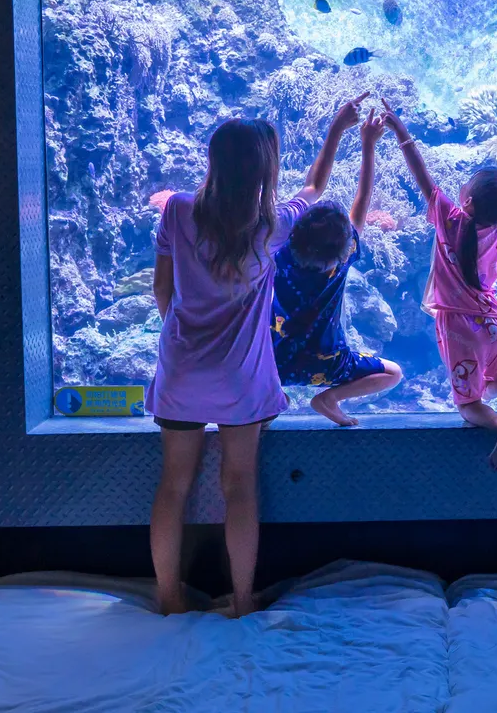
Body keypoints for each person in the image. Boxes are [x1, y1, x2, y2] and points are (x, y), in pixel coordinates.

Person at [147, 94, 365, 617]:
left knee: (174, 485)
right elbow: (314, 189)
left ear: (212, 161)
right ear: (264, 170)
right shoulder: (272, 227)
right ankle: (243, 601)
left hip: (182, 371)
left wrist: (184, 338)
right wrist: (337, 126)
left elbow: (161, 293)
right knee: (239, 484)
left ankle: (168, 597)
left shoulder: (177, 209)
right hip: (241, 378)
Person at [381, 99, 497, 469]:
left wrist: (401, 131)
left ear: (466, 199)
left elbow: (421, 175)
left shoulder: (450, 220)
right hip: (494, 323)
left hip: (458, 326)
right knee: (494, 380)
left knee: (469, 402)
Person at [272, 108, 404, 427]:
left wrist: (336, 129)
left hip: (272, 364)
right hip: (327, 364)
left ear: (296, 231)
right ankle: (329, 399)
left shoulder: (279, 252)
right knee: (393, 373)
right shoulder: (343, 261)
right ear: (347, 247)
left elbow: (313, 184)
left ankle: (270, 397)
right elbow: (362, 202)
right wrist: (368, 144)